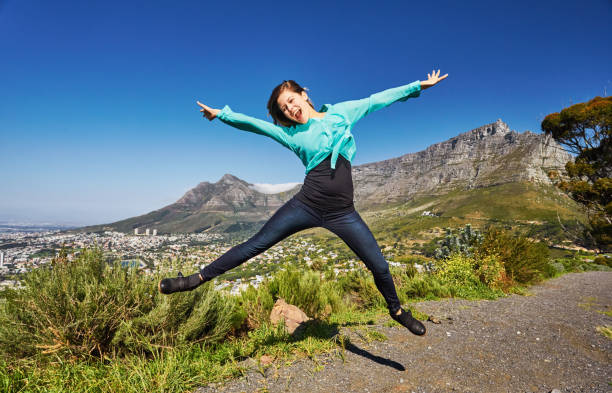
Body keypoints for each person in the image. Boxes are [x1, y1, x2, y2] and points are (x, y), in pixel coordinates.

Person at [159, 70, 449, 336]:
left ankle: (397, 311)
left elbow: (376, 100)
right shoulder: (290, 134)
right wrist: (222, 115)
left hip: (342, 213)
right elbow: (256, 125)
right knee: (254, 245)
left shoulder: (341, 114)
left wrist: (417, 86)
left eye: (291, 101)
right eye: (284, 108)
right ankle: (194, 279)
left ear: (304, 95)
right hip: (307, 204)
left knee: (379, 266)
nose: (291, 109)